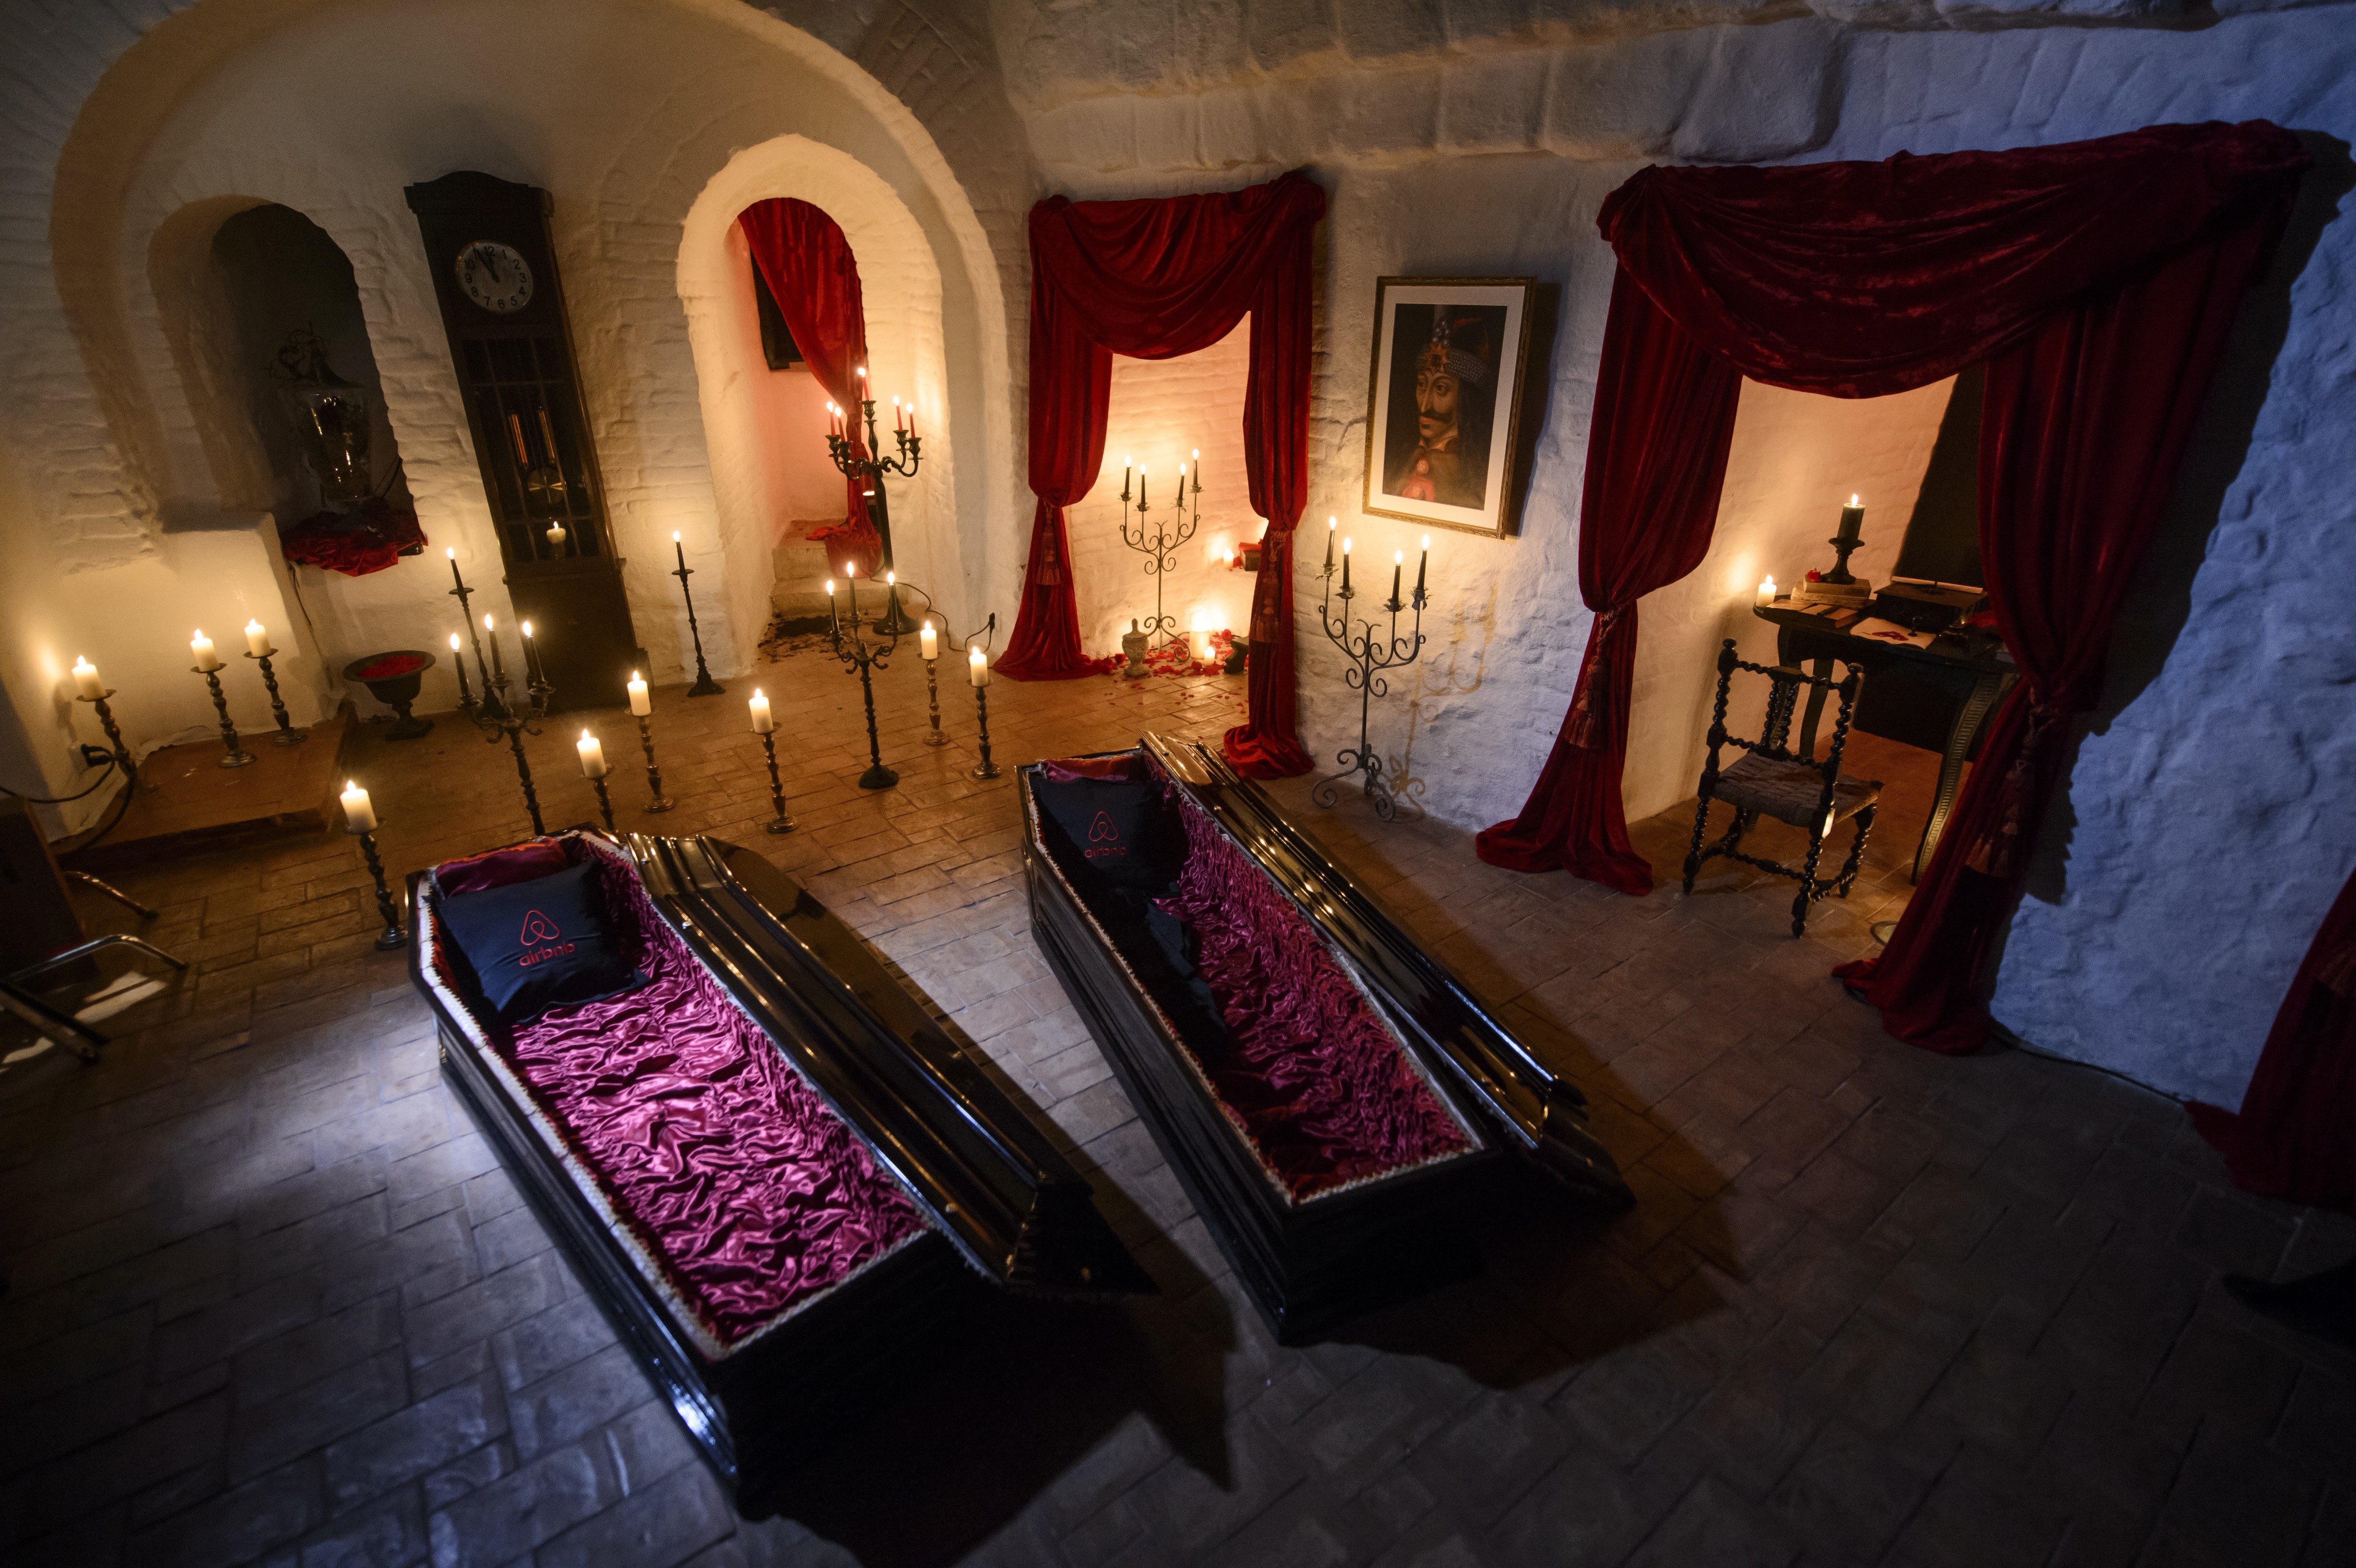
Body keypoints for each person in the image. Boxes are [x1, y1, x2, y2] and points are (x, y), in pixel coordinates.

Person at [1385, 310, 1495, 509]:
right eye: (1422, 384)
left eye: (1441, 389)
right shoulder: (1405, 454)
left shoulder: (1469, 470)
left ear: (1464, 399)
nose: (1425, 406)